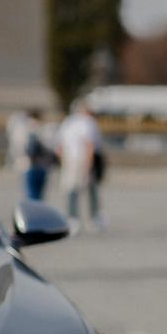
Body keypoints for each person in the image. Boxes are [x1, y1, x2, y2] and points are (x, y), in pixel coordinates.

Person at [55, 99, 106, 235]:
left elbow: (59, 147)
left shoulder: (68, 122)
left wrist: (64, 162)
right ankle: (93, 218)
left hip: (68, 159)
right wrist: (89, 165)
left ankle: (72, 218)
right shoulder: (88, 122)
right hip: (82, 159)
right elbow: (89, 144)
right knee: (90, 189)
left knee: (71, 189)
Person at [22, 110, 56, 200]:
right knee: (39, 195)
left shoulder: (27, 129)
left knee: (32, 194)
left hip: (31, 166)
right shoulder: (44, 129)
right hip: (43, 165)